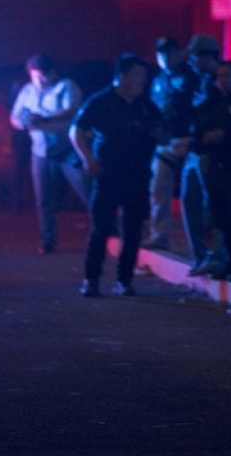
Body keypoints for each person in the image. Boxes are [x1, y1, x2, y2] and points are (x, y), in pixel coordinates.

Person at [70, 53, 167, 297]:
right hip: (108, 173)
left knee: (133, 228)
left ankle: (125, 280)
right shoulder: (102, 101)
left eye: (144, 75)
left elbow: (163, 133)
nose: (142, 80)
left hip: (138, 173)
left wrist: (161, 133)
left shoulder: (146, 105)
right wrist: (87, 158)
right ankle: (91, 279)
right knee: (101, 227)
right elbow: (77, 129)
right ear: (122, 76)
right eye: (137, 74)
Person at [10, 54, 89, 254]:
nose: (38, 81)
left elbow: (71, 111)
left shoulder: (66, 86)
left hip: (67, 149)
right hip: (40, 151)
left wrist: (43, 120)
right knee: (43, 199)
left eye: (42, 76)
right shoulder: (27, 91)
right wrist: (24, 122)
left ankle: (109, 229)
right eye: (34, 76)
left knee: (87, 190)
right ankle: (48, 240)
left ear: (52, 73)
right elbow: (14, 118)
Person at [188, 61, 231, 282]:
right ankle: (230, 262)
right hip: (213, 168)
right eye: (219, 76)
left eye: (227, 75)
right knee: (221, 218)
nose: (222, 80)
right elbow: (198, 130)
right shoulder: (212, 103)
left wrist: (224, 135)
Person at [144, 36, 200, 251]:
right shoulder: (158, 79)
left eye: (170, 53)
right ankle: (159, 235)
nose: (165, 58)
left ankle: (201, 241)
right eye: (161, 53)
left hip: (188, 140)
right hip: (165, 143)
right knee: (158, 189)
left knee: (193, 194)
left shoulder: (191, 76)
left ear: (178, 54)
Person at [182, 34, 225, 274]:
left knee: (212, 208)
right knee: (192, 205)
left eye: (195, 57)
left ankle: (216, 256)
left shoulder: (220, 82)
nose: (190, 62)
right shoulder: (196, 81)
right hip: (193, 151)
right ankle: (200, 257)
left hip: (211, 154)